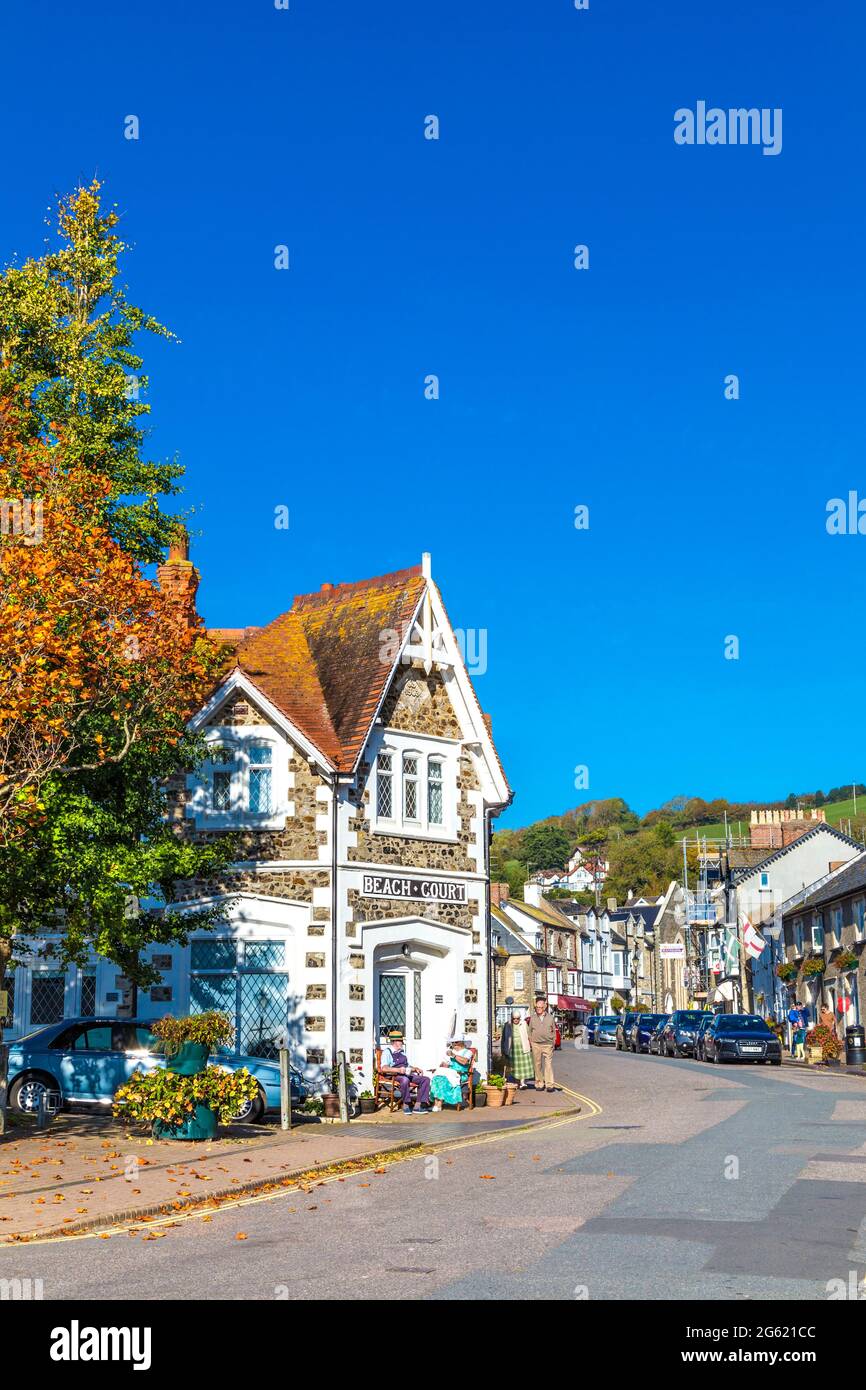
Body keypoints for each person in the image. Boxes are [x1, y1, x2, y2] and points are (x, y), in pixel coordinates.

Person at [379, 1029, 431, 1114]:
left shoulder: (402, 1052)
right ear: (395, 1041)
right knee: (404, 1080)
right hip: (394, 1075)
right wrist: (398, 1070)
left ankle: (417, 1106)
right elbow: (384, 1068)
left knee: (425, 1079)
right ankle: (406, 1104)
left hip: (405, 1073)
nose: (402, 1043)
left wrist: (415, 1068)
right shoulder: (387, 1052)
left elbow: (407, 1066)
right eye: (401, 1041)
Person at [430, 1040, 474, 1110]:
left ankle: (439, 1104)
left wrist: (453, 1055)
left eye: (456, 1042)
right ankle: (436, 1104)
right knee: (436, 1078)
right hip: (449, 1073)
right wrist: (443, 1064)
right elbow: (447, 1064)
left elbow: (464, 1062)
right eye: (453, 1043)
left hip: (460, 1074)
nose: (454, 1044)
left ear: (462, 1042)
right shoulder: (451, 1051)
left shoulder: (468, 1052)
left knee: (443, 1080)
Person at [527, 994, 557, 1092]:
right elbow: (530, 1030)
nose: (538, 1009)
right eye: (537, 1007)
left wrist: (553, 1042)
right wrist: (531, 1041)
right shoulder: (533, 1018)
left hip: (548, 1044)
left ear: (544, 1007)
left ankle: (549, 1085)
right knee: (537, 1064)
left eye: (540, 1007)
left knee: (548, 1064)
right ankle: (539, 1083)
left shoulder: (550, 1018)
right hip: (536, 1044)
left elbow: (554, 1030)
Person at [500, 1010, 533, 1088]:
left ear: (520, 1018)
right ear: (511, 1018)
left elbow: (529, 1035)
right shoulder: (507, 1025)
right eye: (514, 1018)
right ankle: (517, 1082)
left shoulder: (524, 1024)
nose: (516, 1020)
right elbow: (503, 1038)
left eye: (517, 1018)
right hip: (511, 1048)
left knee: (523, 1066)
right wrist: (503, 1050)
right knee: (514, 1067)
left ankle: (522, 1082)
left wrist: (531, 1045)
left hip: (523, 1047)